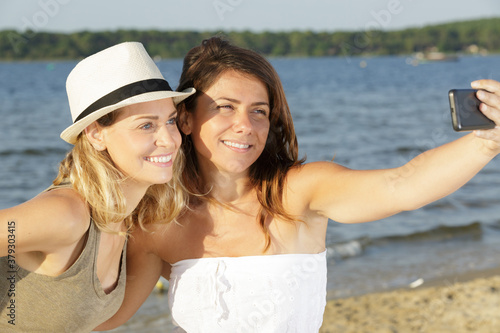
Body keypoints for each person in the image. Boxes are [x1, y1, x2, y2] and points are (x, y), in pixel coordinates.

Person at [96, 37, 500, 332]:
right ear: (185, 119)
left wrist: (488, 140)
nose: (245, 125)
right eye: (225, 108)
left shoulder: (300, 192)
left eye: (259, 111)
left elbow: (403, 185)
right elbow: (106, 318)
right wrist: (110, 224)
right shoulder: (159, 224)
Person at [0, 42, 194, 332]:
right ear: (95, 134)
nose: (169, 139)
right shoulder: (67, 215)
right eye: (146, 126)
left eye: (170, 120)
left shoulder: (133, 223)